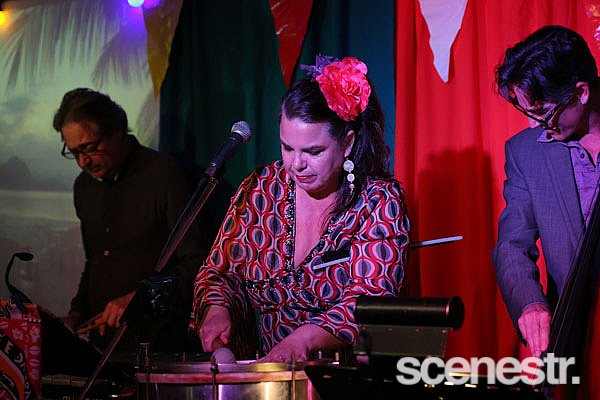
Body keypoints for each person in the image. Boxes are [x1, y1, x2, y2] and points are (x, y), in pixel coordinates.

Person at [191, 55, 410, 362]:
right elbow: (221, 272)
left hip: (343, 375)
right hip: (266, 375)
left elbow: (370, 299)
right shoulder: (261, 189)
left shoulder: (377, 201)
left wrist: (304, 339)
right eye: (287, 147)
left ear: (347, 143)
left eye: (313, 151)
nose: (296, 164)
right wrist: (217, 308)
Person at [54, 88, 210, 358]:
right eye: (74, 152)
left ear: (117, 130)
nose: (83, 162)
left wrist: (140, 298)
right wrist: (76, 313)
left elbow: (197, 262)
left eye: (89, 148)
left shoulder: (164, 175)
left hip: (159, 345)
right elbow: (95, 261)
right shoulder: (84, 187)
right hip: (103, 347)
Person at [493, 25, 600, 362]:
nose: (536, 125)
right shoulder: (526, 152)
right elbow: (512, 246)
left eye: (544, 112)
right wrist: (531, 304)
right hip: (575, 346)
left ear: (581, 92)